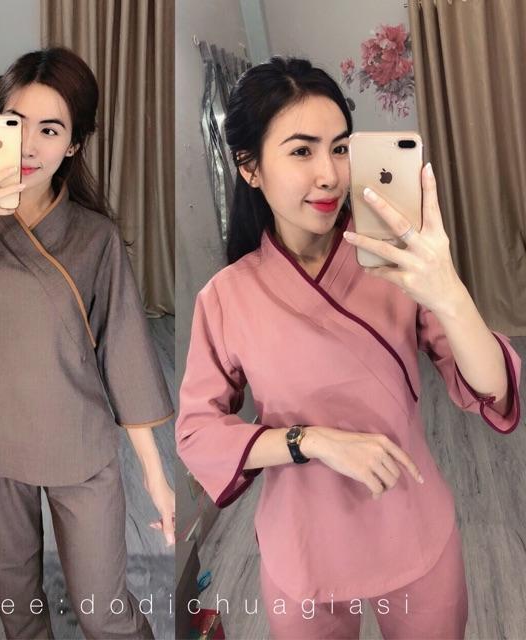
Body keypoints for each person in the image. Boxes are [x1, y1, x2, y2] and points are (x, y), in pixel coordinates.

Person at [176, 57, 521, 640]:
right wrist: (309, 441)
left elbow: (493, 389)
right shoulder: (226, 297)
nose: (330, 175)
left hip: (410, 524)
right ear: (250, 167)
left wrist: (449, 292)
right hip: (303, 545)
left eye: (340, 148)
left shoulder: (395, 267)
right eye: (301, 151)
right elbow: (195, 432)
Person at [0, 47, 174, 639]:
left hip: (79, 445)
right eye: (15, 123)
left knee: (105, 613)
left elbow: (124, 352)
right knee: (19, 613)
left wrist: (155, 474)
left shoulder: (96, 237)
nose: (29, 144)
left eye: (50, 129)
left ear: (73, 144)